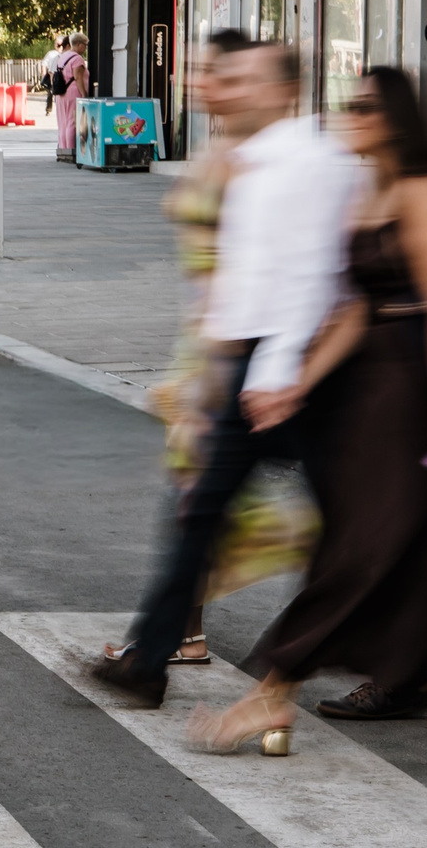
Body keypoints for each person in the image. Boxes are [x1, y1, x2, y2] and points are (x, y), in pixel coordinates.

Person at [187, 66, 427, 757]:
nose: (351, 114)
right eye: (350, 102)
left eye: (365, 105)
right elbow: (354, 307)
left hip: (410, 393)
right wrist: (294, 380)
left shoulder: (426, 191)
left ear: (395, 117)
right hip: (366, 391)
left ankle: (272, 692)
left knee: (358, 548)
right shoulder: (371, 189)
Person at [88, 41, 359, 709]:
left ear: (285, 89)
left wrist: (270, 373)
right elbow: (239, 277)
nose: (230, 88)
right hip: (241, 365)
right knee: (198, 511)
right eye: (224, 76)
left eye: (246, 79)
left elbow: (307, 277)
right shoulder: (252, 161)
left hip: (297, 373)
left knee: (357, 526)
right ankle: (150, 659)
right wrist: (211, 371)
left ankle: (380, 653)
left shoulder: (310, 162)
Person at [53, 33, 89, 160]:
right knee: (72, 122)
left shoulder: (63, 56)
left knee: (63, 122)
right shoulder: (78, 59)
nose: (85, 48)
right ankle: (72, 152)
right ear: (78, 45)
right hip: (73, 92)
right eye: (85, 45)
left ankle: (63, 151)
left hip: (61, 94)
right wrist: (84, 94)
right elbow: (78, 77)